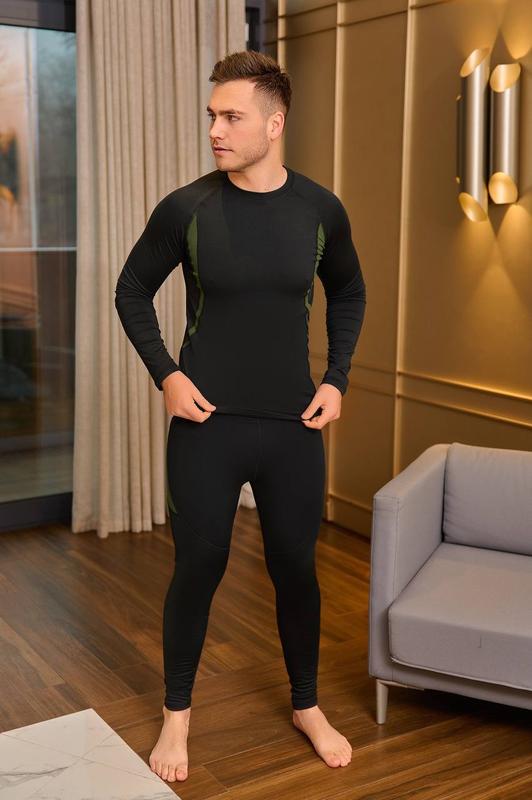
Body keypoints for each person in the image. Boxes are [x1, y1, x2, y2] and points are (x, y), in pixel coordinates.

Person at [114, 49, 366, 784]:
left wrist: (337, 379)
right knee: (199, 566)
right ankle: (177, 716)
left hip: (294, 428)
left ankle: (307, 705)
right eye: (212, 116)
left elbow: (349, 292)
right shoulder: (187, 208)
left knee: (296, 569)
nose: (215, 131)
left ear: (274, 123)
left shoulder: (320, 210)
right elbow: (132, 290)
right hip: (208, 427)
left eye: (232, 117)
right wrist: (167, 375)